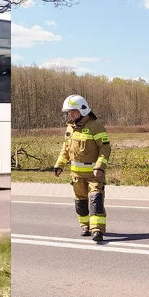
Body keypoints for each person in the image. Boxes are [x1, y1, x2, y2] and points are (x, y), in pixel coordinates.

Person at [53, 95, 111, 243]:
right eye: (69, 112)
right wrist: (59, 165)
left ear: (83, 110)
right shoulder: (70, 128)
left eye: (73, 111)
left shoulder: (95, 126)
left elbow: (105, 148)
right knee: (81, 203)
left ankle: (97, 230)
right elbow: (66, 149)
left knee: (96, 201)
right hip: (76, 176)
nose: (70, 115)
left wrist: (100, 166)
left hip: (94, 175)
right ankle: (86, 227)